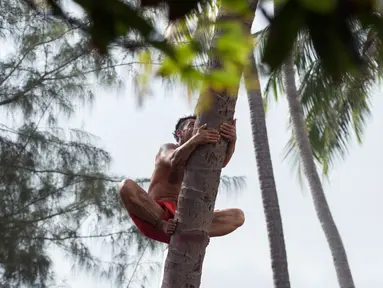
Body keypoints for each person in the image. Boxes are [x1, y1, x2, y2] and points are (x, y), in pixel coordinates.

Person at [118, 115, 245, 243]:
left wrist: (232, 141)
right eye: (191, 126)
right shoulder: (168, 148)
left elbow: (220, 163)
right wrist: (195, 140)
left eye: (198, 126)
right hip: (157, 215)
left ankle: (196, 230)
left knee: (237, 216)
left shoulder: (198, 158)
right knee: (125, 186)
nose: (196, 129)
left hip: (186, 219)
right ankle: (163, 225)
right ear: (180, 133)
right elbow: (174, 160)